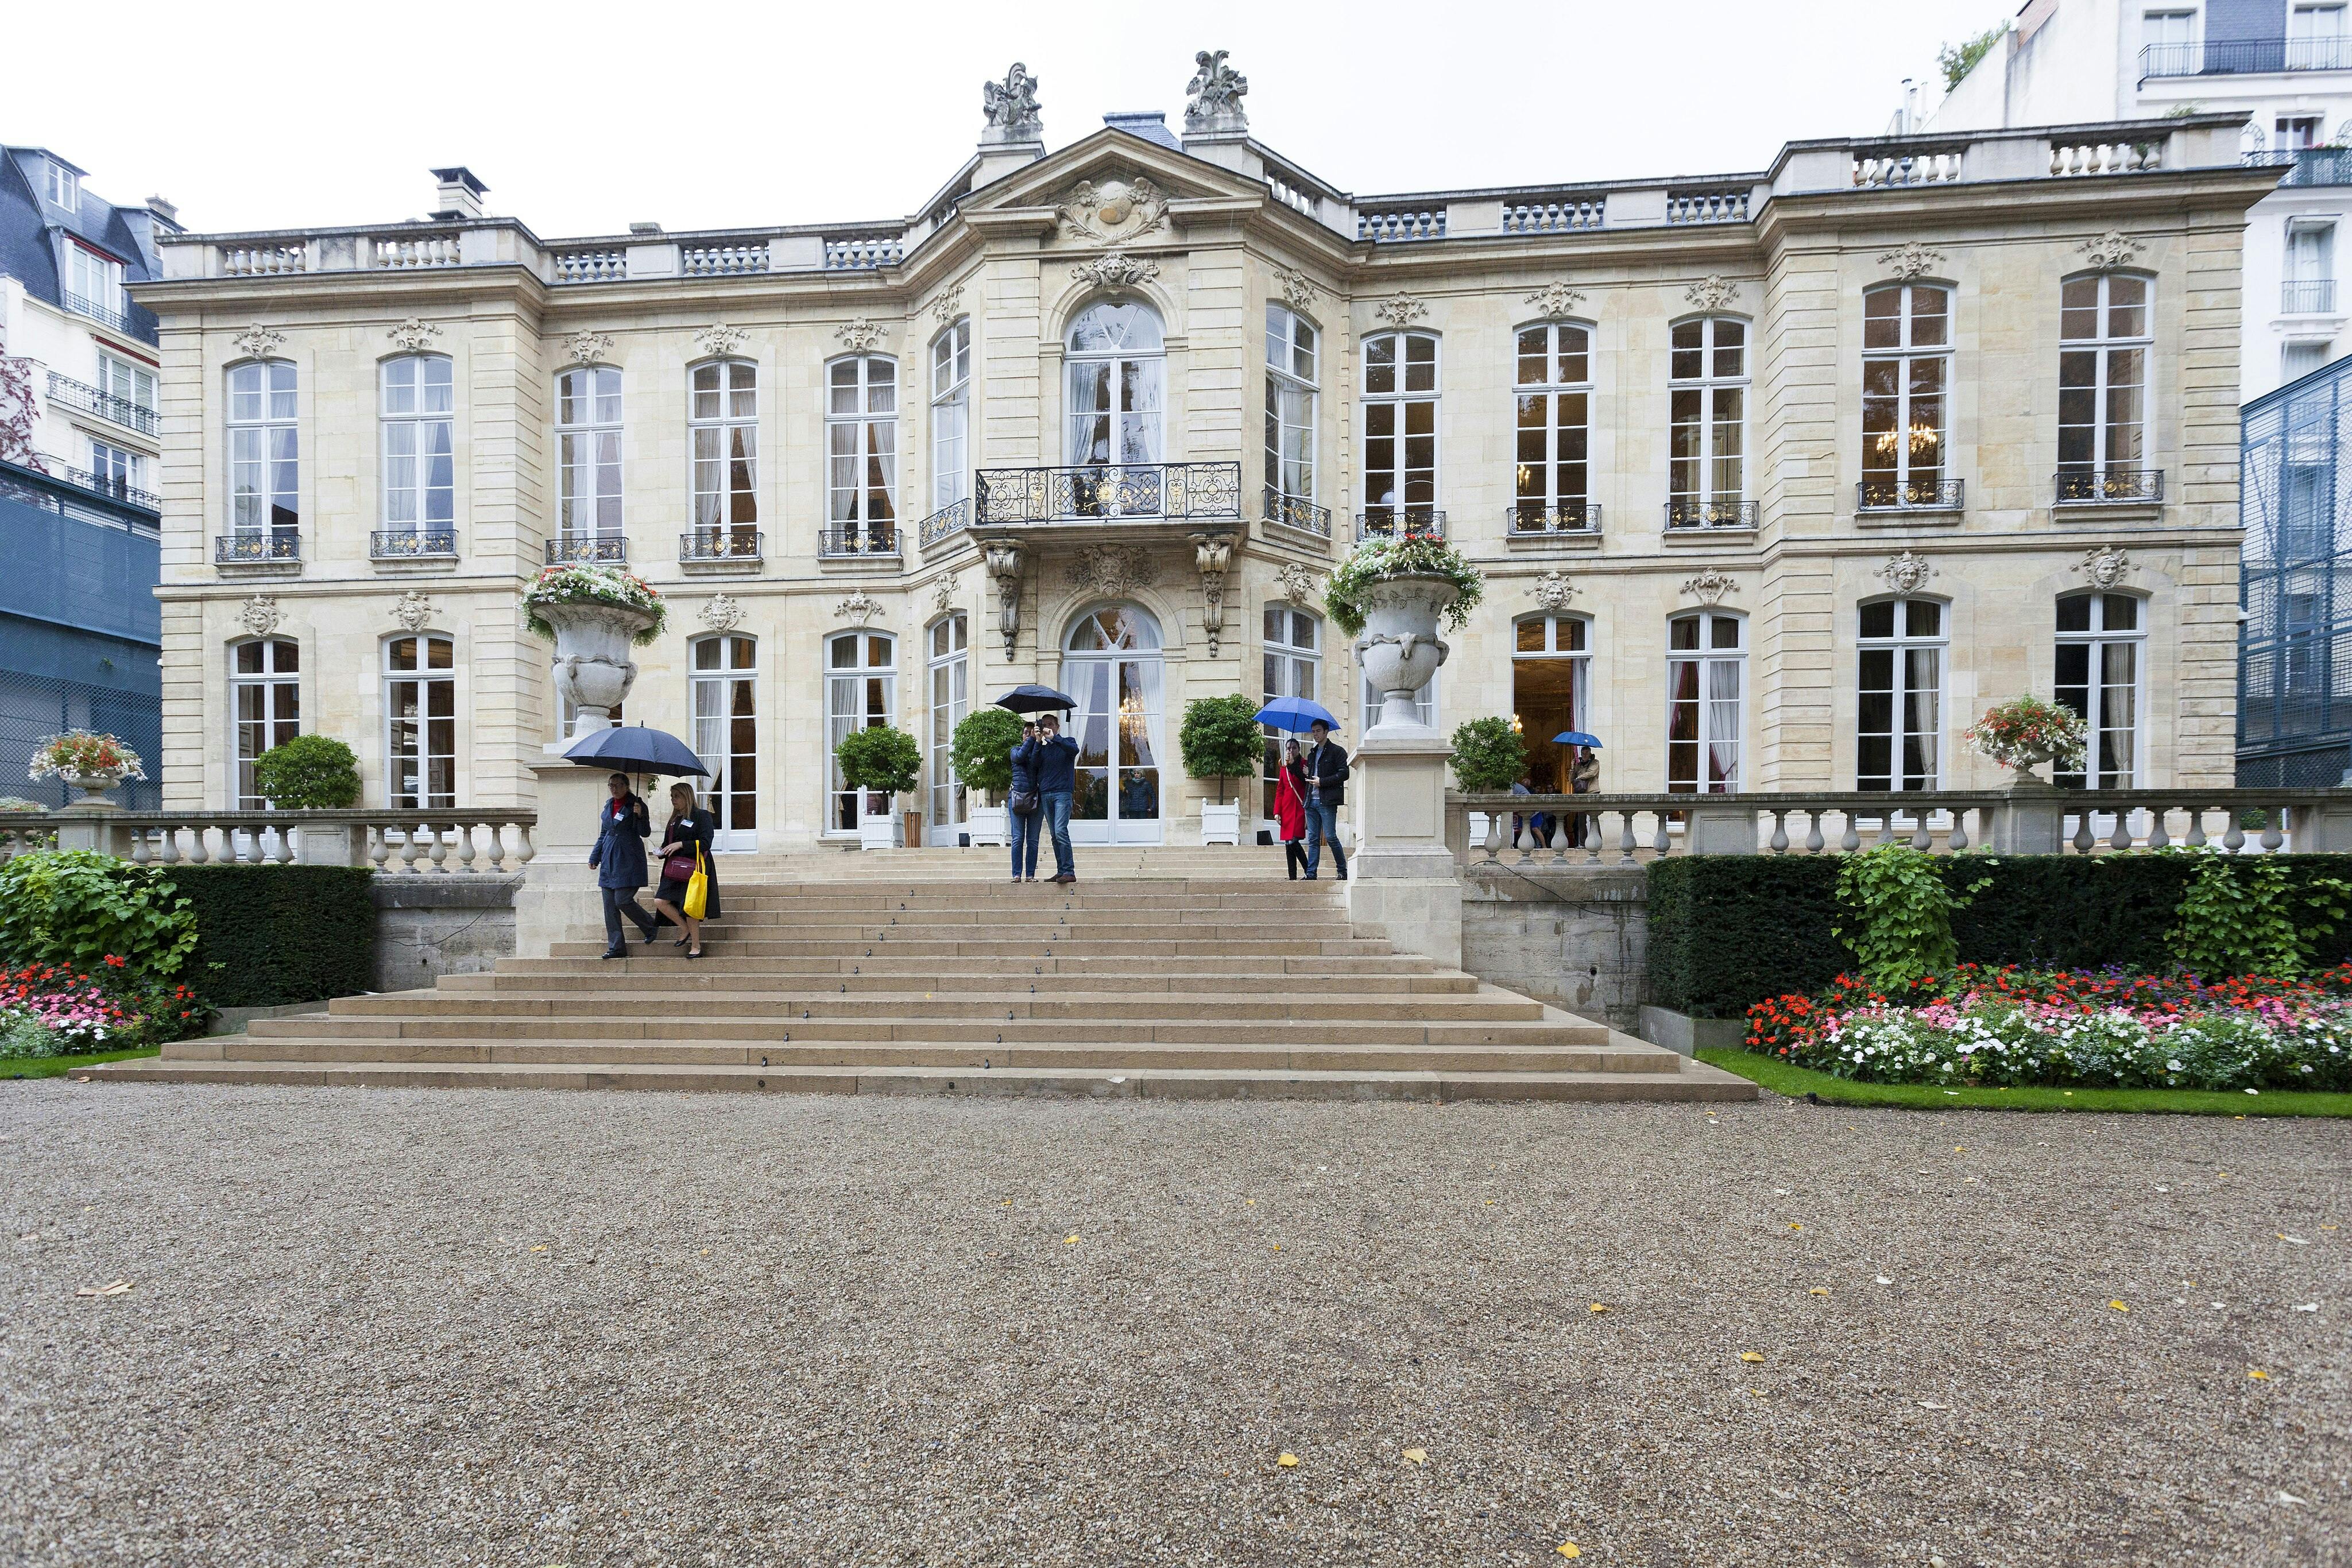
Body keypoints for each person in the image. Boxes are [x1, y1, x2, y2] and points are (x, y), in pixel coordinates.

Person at [650, 780, 721, 959]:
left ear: (687, 796)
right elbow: (668, 844)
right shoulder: (674, 820)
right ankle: (684, 928)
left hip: (694, 867)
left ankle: (696, 946)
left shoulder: (702, 816)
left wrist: (681, 844)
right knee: (660, 901)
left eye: (677, 796)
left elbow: (706, 843)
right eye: (672, 796)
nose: (673, 800)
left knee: (690, 908)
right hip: (674, 869)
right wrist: (661, 851)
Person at [591, 772, 658, 959]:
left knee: (622, 900)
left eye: (619, 785)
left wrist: (640, 815)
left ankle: (650, 926)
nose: (614, 789)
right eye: (611, 785)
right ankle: (616, 947)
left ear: (627, 786)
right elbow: (604, 833)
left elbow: (645, 833)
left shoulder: (636, 804)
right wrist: (595, 856)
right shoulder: (609, 805)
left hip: (628, 859)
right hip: (609, 860)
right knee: (610, 906)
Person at [1015, 711, 1081, 884]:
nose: (1047, 727)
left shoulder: (1067, 742)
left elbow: (1074, 750)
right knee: (1054, 835)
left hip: (1062, 794)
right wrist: (1037, 741)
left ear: (1057, 727)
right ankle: (1061, 871)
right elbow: (1034, 763)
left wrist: (1054, 738)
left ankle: (1069, 871)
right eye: (1045, 725)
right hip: (1046, 794)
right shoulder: (1042, 749)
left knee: (1060, 831)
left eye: (1051, 724)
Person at [1301, 719, 1349, 881]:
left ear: (1326, 732)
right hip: (1311, 800)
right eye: (1313, 731)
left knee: (1330, 836)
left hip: (1327, 801)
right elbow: (1312, 775)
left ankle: (1342, 870)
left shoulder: (1337, 752)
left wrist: (1322, 782)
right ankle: (1311, 873)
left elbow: (1344, 774)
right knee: (1313, 838)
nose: (1315, 734)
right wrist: (1307, 772)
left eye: (1318, 731)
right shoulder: (1312, 753)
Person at [1007, 719, 1043, 883]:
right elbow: (1020, 757)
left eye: (1031, 731)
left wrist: (1038, 741)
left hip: (1035, 799)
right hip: (1017, 798)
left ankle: (1030, 875)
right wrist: (1032, 739)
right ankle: (1016, 874)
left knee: (1033, 840)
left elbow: (1036, 761)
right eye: (1025, 732)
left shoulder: (1039, 750)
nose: (1027, 734)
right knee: (1018, 838)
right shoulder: (1015, 750)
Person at [1274, 737, 1310, 880]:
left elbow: (1305, 781)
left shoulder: (1305, 764)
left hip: (1300, 807)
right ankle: (1292, 877)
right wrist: (1277, 811)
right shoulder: (1283, 768)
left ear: (1299, 749)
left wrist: (1295, 766)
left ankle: (1309, 871)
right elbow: (1280, 790)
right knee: (1288, 844)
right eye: (1288, 748)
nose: (1291, 750)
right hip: (1286, 809)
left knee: (1293, 841)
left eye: (1294, 748)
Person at [1569, 746, 1601, 851]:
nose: (1585, 755)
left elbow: (1592, 773)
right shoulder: (1578, 765)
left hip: (1592, 792)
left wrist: (1580, 777)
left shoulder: (1595, 762)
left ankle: (1597, 841)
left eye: (1587, 753)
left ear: (1590, 753)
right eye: (1583, 753)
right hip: (1581, 793)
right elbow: (1571, 780)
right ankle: (1582, 843)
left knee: (1594, 818)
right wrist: (1573, 768)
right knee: (1581, 820)